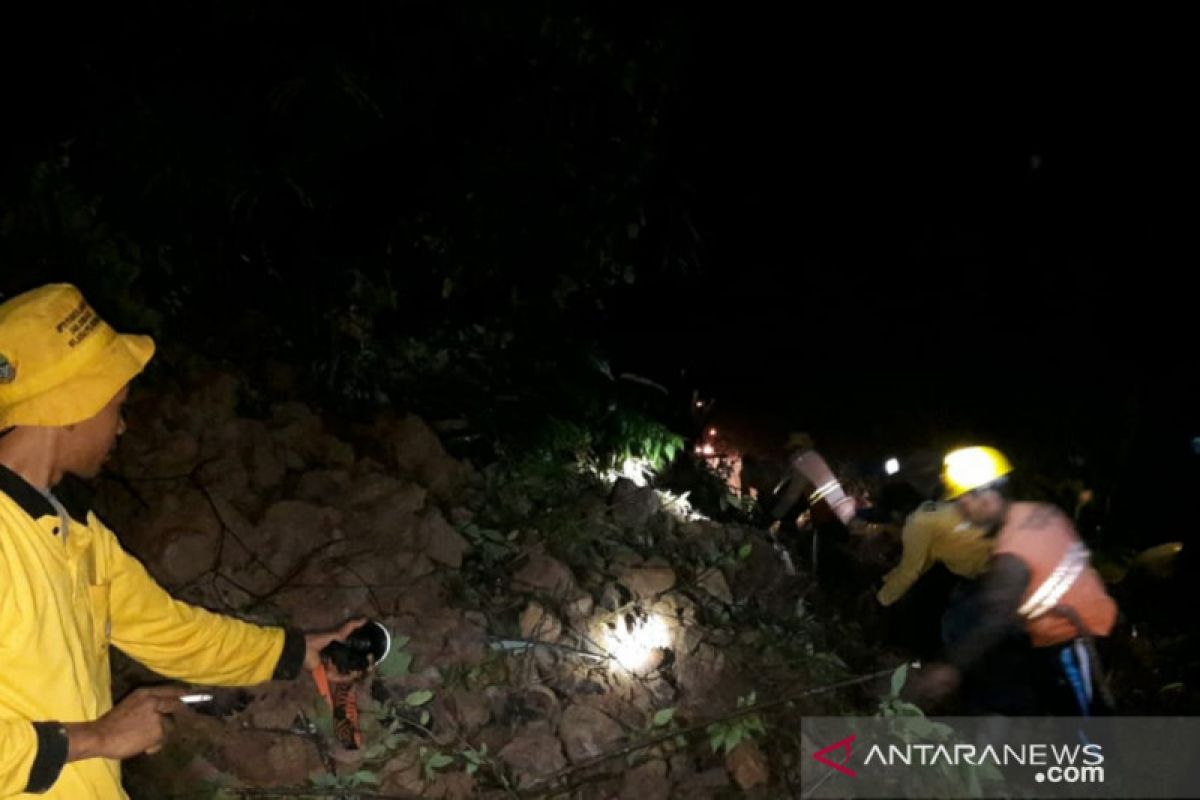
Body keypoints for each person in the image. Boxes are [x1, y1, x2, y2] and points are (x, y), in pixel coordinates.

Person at [0, 284, 361, 798]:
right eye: (116, 406)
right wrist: (95, 737)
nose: (120, 427)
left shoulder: (73, 533)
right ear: (73, 405)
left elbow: (168, 630)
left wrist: (298, 653)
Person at [913, 446, 1117, 715]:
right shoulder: (1041, 512)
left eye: (963, 504)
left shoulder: (1014, 548)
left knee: (1089, 742)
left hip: (1074, 645)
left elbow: (995, 617)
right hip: (1091, 634)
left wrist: (949, 667)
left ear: (984, 496)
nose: (963, 514)